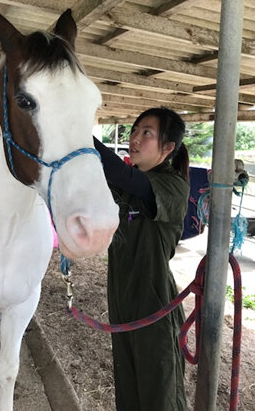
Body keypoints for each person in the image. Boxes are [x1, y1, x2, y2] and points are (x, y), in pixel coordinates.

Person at [94, 107, 190, 411]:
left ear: (167, 148)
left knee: (159, 397)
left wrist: (77, 129)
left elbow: (119, 173)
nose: (135, 138)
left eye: (146, 132)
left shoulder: (173, 186)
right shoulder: (126, 186)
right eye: (134, 130)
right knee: (129, 395)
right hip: (122, 302)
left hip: (154, 308)